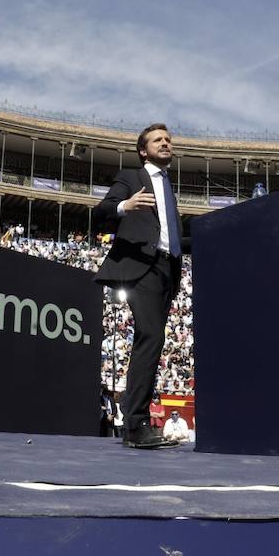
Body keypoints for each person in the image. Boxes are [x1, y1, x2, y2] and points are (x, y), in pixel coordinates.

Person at [90, 123, 187, 449]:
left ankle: (137, 424)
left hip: (167, 270)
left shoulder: (170, 188)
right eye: (158, 140)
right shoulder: (131, 177)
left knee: (154, 341)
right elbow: (99, 213)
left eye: (168, 140)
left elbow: (173, 234)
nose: (166, 143)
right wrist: (124, 206)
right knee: (150, 336)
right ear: (144, 150)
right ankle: (135, 425)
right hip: (142, 267)